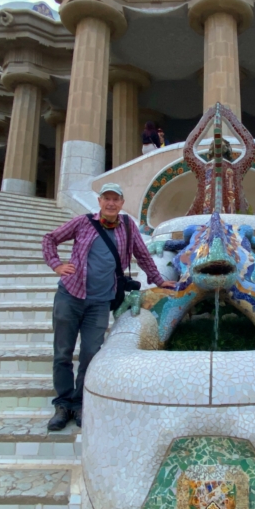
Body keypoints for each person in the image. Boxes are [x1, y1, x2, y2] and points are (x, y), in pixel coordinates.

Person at [42, 183, 176, 431]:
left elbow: (144, 256)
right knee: (63, 352)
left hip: (100, 302)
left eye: (116, 199)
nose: (111, 203)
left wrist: (159, 280)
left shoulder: (127, 226)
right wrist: (57, 265)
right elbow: (50, 238)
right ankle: (62, 404)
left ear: (122, 203)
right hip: (70, 295)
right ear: (100, 201)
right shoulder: (83, 222)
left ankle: (80, 403)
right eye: (106, 199)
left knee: (90, 353)